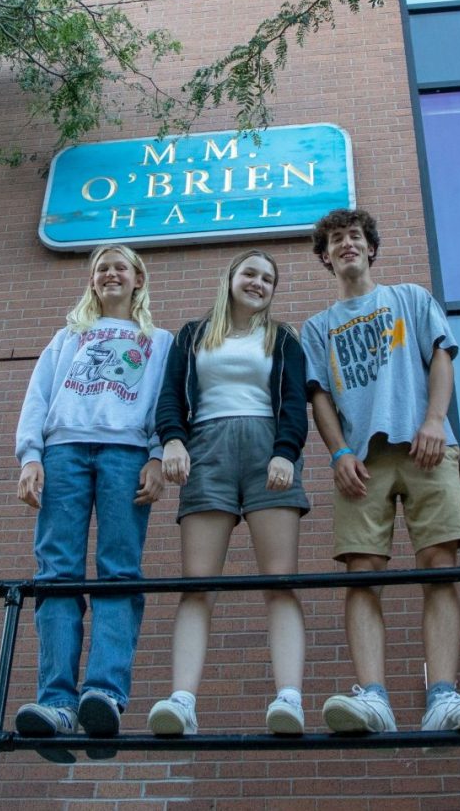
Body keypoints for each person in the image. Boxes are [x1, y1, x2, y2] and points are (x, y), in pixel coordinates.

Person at [300, 208, 460, 733]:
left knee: (441, 563)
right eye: (336, 240)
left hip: (424, 448)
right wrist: (339, 452)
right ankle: (373, 699)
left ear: (370, 248)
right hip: (360, 462)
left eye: (355, 237)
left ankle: (443, 698)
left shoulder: (410, 298)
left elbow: (442, 357)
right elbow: (318, 396)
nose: (347, 245)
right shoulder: (317, 328)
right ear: (325, 257)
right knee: (361, 572)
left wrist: (435, 419)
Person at [13, 244, 174, 755]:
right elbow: (38, 396)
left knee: (119, 570)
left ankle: (103, 691)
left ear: (137, 280)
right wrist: (30, 456)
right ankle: (57, 702)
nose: (109, 274)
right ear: (92, 282)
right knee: (56, 572)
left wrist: (155, 455)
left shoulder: (160, 341)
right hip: (63, 453)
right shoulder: (68, 338)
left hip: (126, 455)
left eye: (119, 267)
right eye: (101, 268)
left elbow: (168, 404)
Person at [146, 249, 311, 736]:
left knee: (280, 580)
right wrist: (173, 439)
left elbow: (296, 404)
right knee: (197, 582)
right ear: (231, 278)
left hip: (268, 449)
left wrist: (286, 450)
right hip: (207, 451)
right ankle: (182, 701)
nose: (258, 283)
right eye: (250, 274)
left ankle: (289, 698)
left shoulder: (284, 339)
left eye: (268, 279)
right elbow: (170, 395)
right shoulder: (194, 334)